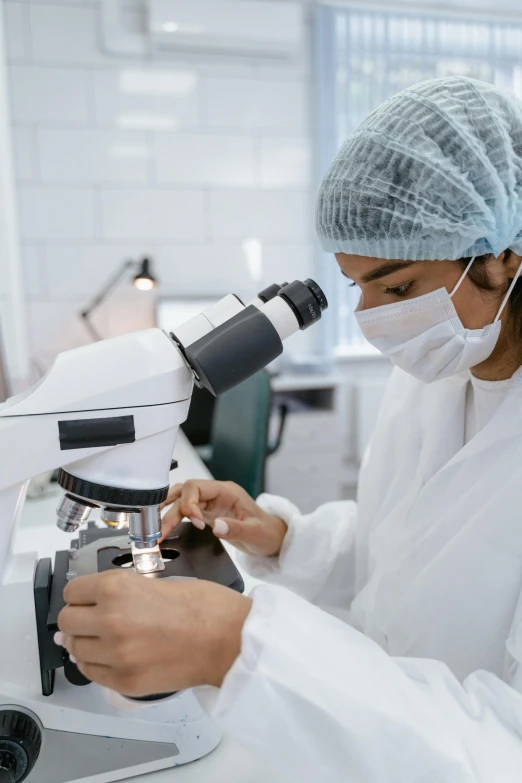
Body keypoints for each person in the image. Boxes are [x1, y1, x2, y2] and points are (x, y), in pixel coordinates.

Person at [57, 77, 522, 782]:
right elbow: (394, 555)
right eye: (356, 285)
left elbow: (501, 744)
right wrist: (282, 535)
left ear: (503, 257)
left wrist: (236, 645)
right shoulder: (434, 373)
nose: (372, 319)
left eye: (395, 288)